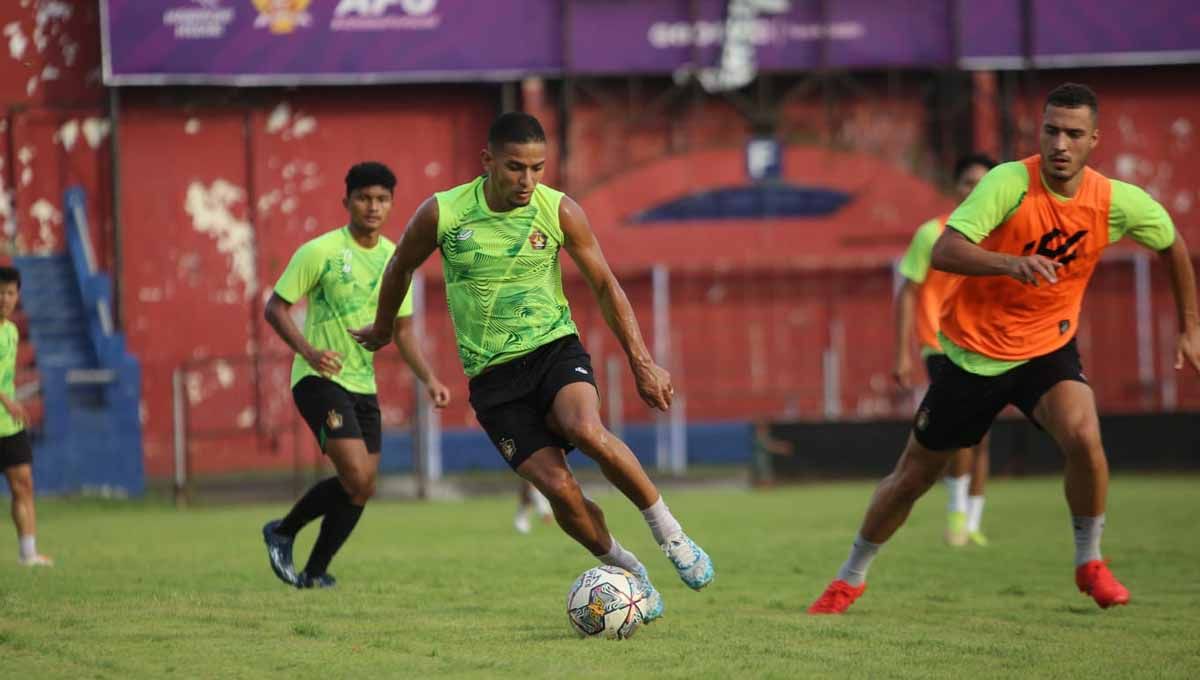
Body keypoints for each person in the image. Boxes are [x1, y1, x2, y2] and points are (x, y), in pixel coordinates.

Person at [810, 83, 1199, 614]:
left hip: (1047, 348)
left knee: (1085, 437)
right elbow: (947, 250)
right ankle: (847, 579)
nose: (1060, 144)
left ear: (1094, 140)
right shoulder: (1008, 182)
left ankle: (1090, 562)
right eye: (1051, 131)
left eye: (1074, 134)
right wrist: (1010, 263)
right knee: (912, 478)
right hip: (972, 355)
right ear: (1040, 131)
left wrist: (1189, 327)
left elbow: (1172, 243)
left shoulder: (1114, 201)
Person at [351, 112, 715, 621]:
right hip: (493, 380)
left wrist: (643, 361)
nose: (527, 180)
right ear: (488, 162)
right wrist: (386, 326)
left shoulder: (559, 211)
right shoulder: (443, 213)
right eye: (516, 167)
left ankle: (672, 535)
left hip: (553, 349)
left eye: (537, 168)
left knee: (584, 428)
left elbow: (606, 286)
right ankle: (631, 573)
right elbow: (399, 267)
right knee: (560, 489)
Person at [261, 162, 450, 589]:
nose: (373, 206)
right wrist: (308, 350)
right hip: (317, 379)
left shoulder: (394, 261)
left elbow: (401, 331)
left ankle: (314, 572)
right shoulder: (321, 252)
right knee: (358, 477)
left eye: (382, 199)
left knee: (361, 488)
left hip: (364, 386)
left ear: (392, 205)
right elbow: (275, 307)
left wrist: (430, 379)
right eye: (364, 197)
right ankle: (283, 530)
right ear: (346, 201)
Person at [894, 153, 998, 547]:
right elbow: (908, 293)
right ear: (954, 188)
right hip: (941, 344)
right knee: (960, 432)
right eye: (967, 182)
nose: (973, 190)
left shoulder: (1001, 233)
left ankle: (972, 522)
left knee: (982, 435)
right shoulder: (932, 234)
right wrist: (902, 354)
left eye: (981, 183)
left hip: (990, 343)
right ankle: (956, 516)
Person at [0, 266, 51, 567]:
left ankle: (28, 554)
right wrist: (8, 401)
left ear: (17, 295)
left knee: (24, 483)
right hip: (6, 409)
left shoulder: (12, 331)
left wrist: (13, 403)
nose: (4, 299)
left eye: (9, 293)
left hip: (8, 423)